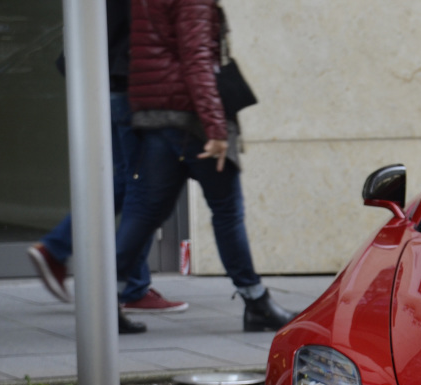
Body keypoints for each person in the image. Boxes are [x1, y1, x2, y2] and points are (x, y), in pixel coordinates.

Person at [115, 0, 294, 332]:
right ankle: (256, 303)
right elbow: (198, 60)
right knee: (227, 211)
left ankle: (103, 300)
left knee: (144, 210)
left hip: (158, 112)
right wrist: (215, 128)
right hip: (192, 119)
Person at [27, 0, 158, 335]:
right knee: (141, 185)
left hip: (110, 83)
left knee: (126, 182)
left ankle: (133, 283)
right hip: (127, 84)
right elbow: (141, 30)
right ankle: (122, 281)